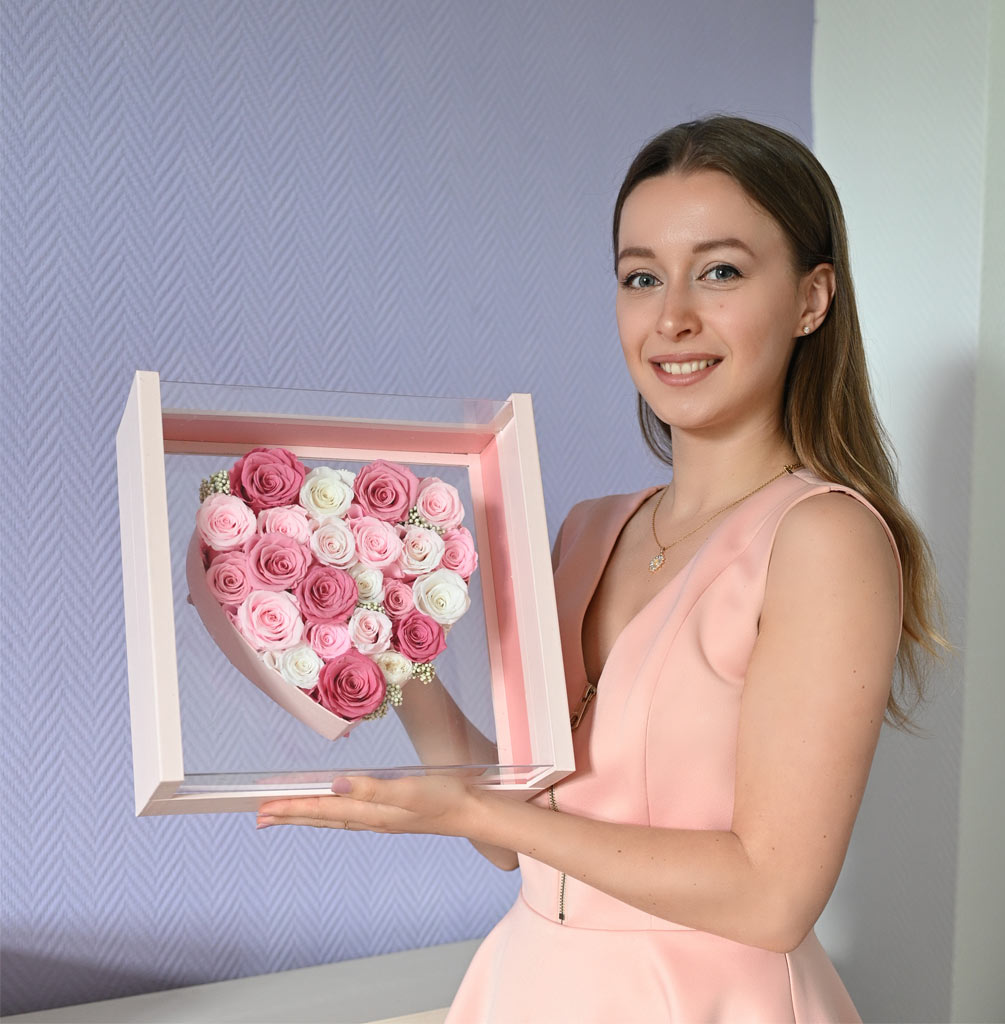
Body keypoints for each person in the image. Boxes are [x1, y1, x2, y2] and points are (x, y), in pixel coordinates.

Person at [256, 116, 944, 1022]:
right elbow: (521, 839)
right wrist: (388, 651)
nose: (672, 319)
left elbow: (773, 898)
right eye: (641, 277)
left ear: (812, 299)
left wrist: (475, 816)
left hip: (707, 997)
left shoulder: (823, 539)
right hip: (529, 983)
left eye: (722, 271)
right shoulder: (588, 532)